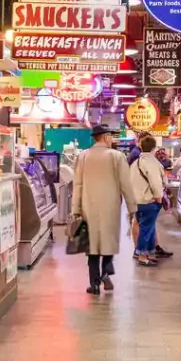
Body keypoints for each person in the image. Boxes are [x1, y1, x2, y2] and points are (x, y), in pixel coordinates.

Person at [71, 124, 137, 295]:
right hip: (110, 207)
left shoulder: (83, 156)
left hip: (88, 207)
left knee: (92, 246)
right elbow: (126, 185)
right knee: (109, 241)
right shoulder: (117, 156)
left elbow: (77, 185)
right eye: (111, 136)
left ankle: (94, 284)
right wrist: (132, 208)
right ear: (106, 137)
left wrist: (75, 209)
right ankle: (106, 271)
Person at [130, 136, 167, 266]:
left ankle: (150, 253)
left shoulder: (136, 162)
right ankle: (141, 255)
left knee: (148, 228)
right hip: (148, 201)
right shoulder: (152, 163)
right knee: (146, 229)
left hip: (136, 201)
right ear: (154, 148)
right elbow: (156, 183)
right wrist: (159, 198)